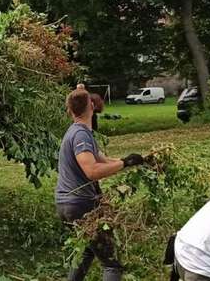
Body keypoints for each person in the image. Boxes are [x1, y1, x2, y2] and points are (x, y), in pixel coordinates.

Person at [56, 87, 145, 281]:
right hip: (81, 205)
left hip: (66, 204)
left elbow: (103, 161)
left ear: (70, 110)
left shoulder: (78, 132)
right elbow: (92, 170)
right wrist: (124, 163)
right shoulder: (80, 135)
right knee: (112, 262)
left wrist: (131, 161)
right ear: (91, 105)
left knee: (86, 251)